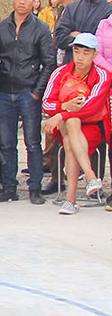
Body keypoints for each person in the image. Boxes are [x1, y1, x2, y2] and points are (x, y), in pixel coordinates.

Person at [0, 0, 56, 206]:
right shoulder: (2, 28)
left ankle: (34, 188)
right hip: (4, 92)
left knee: (33, 142)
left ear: (35, 1)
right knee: (6, 143)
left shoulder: (41, 28)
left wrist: (37, 91)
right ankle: (9, 187)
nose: (22, 1)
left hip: (28, 92)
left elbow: (49, 62)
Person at [41, 33, 109, 215]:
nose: (80, 57)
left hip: (92, 127)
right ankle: (90, 176)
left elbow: (92, 106)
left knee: (70, 136)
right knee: (71, 122)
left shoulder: (103, 75)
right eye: (77, 51)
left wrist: (61, 114)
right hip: (65, 127)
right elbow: (46, 103)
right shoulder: (60, 72)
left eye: (86, 53)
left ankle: (70, 199)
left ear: (95, 54)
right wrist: (64, 107)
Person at [54, 0, 112, 64]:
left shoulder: (109, 12)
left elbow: (102, 44)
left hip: (96, 70)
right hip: (70, 68)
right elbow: (59, 38)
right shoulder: (72, 8)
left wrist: (76, 36)